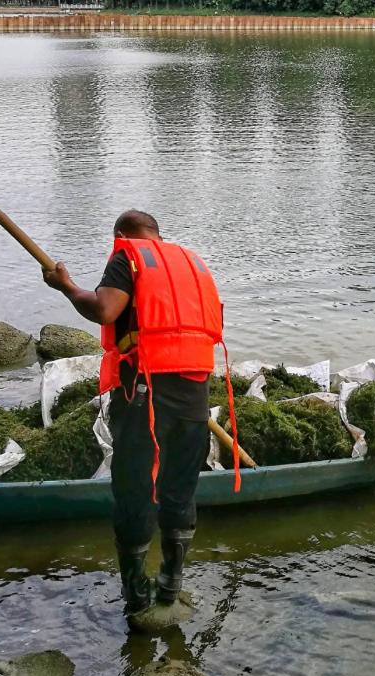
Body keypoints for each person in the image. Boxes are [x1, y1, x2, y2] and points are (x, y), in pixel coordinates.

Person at [42, 209, 225, 632]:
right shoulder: (191, 262)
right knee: (180, 493)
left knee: (134, 494)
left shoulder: (128, 256)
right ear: (158, 235)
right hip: (195, 396)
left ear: (121, 235)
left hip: (145, 397)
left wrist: (67, 287)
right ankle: (170, 590)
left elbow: (106, 310)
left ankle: (138, 604)